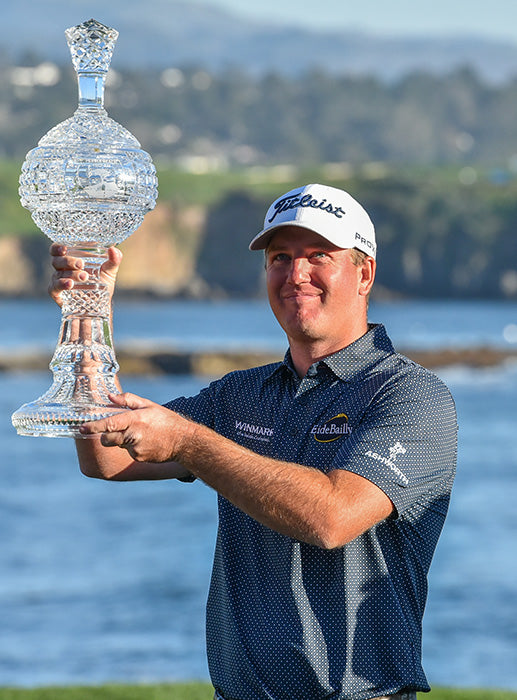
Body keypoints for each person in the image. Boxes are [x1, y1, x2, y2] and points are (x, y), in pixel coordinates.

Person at [49, 183, 457, 700]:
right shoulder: (240, 394)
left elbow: (332, 519)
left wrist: (190, 443)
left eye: (319, 256)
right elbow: (104, 456)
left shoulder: (412, 396)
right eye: (280, 257)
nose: (296, 275)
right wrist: (87, 318)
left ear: (365, 273)